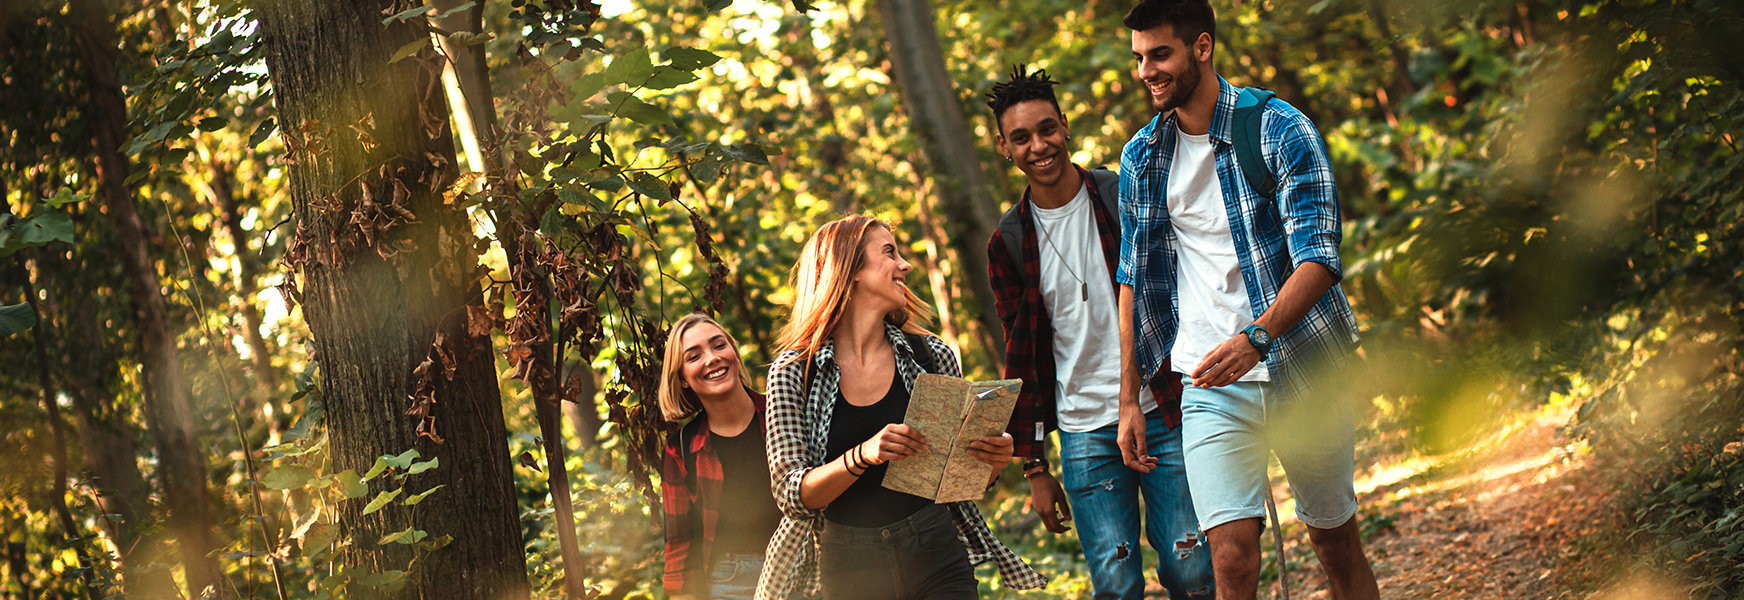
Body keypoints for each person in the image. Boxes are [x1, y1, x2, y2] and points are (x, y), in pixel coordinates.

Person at [1112, 1, 1381, 599]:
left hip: (1303, 365)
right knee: (1230, 557)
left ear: (1201, 47)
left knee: (1334, 541)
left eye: (1160, 54)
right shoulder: (1142, 157)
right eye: (1138, 58)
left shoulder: (1279, 128)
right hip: (1210, 382)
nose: (1146, 71)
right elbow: (1134, 277)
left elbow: (1319, 257)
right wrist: (1127, 397)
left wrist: (1257, 337)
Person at [983, 65, 1216, 600]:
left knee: (1190, 567)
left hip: (1160, 408)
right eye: (1021, 137)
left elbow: (1184, 284)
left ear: (1065, 126)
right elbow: (1024, 361)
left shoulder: (1121, 194)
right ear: (1004, 147)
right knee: (1114, 582)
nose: (1038, 146)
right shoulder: (1009, 241)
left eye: (1046, 129)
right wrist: (1036, 466)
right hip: (1085, 430)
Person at [755, 215, 1048, 600]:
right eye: (889, 253)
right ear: (851, 270)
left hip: (935, 548)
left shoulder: (931, 355)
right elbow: (792, 494)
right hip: (849, 565)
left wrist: (992, 459)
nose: (904, 265)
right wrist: (861, 456)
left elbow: (959, 480)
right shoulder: (794, 373)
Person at [659, 313, 787, 600]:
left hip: (801, 567)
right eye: (694, 356)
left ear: (734, 353)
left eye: (719, 345)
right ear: (682, 378)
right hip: (730, 581)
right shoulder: (681, 447)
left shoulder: (784, 414)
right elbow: (679, 543)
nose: (712, 358)